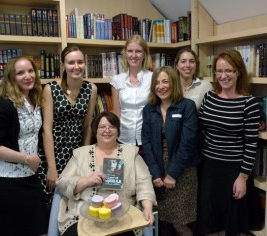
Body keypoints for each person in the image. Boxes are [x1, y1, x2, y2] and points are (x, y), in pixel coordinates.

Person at [56, 111, 157, 236]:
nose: (107, 130)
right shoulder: (80, 154)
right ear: (95, 130)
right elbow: (62, 183)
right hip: (83, 215)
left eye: (112, 127)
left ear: (118, 131)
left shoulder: (131, 153)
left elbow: (144, 183)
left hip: (122, 215)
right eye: (102, 127)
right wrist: (87, 180)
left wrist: (147, 207)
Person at [198, 50, 261, 236]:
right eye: (219, 71)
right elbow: (200, 127)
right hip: (208, 167)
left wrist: (243, 177)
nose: (223, 76)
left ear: (238, 72)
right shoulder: (209, 97)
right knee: (209, 221)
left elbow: (251, 144)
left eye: (229, 71)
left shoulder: (249, 103)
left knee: (232, 223)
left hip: (233, 170)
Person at [0, 56, 49, 236]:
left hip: (30, 180)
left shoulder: (34, 99)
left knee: (41, 230)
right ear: (11, 77)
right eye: (20, 73)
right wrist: (27, 158)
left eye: (30, 71)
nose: (27, 76)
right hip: (7, 186)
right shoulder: (4, 104)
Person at [142, 66, 200, 236]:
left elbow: (188, 143)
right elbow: (146, 142)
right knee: (163, 221)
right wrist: (155, 173)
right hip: (158, 172)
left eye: (165, 81)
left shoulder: (187, 106)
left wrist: (172, 174)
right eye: (157, 82)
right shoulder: (149, 109)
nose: (161, 86)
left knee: (181, 222)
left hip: (183, 170)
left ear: (173, 83)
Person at [37, 46, 97, 204]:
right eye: (71, 62)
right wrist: (51, 166)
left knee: (74, 198)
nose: (76, 66)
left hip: (76, 152)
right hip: (53, 152)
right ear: (63, 65)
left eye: (80, 62)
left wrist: (83, 158)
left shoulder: (91, 89)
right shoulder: (51, 89)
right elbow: (46, 129)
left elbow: (88, 127)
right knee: (53, 199)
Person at [110, 34, 153, 153]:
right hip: (123, 138)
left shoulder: (153, 78)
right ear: (125, 53)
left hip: (147, 139)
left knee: (147, 171)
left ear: (144, 54)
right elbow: (116, 112)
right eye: (130, 51)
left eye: (138, 51)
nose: (133, 55)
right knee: (125, 171)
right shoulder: (117, 80)